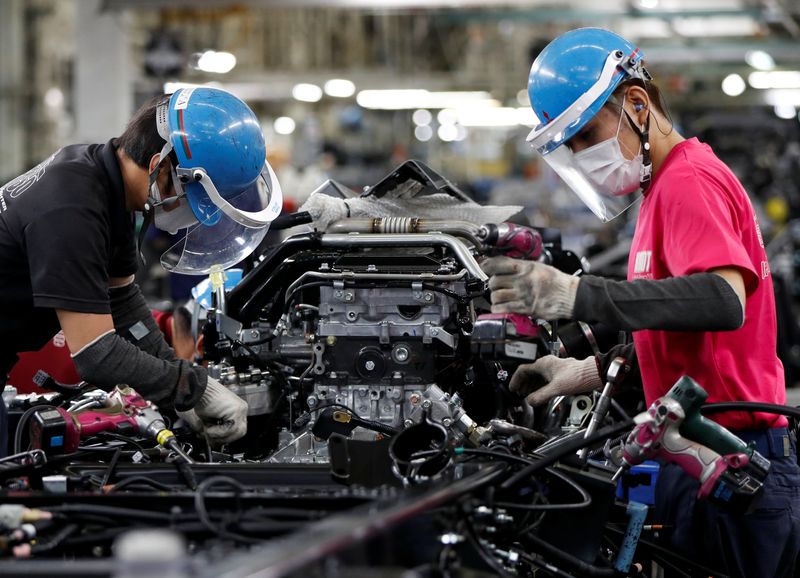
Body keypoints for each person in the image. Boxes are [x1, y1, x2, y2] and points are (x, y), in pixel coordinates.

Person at [481, 28, 800, 577]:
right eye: (571, 147)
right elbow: (675, 324)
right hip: (691, 448)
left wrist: (575, 294)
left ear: (636, 102)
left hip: (730, 452)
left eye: (587, 136)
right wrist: (588, 369)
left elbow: (723, 301)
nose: (584, 157)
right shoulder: (662, 189)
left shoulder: (688, 182)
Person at [0, 87, 283, 456]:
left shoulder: (106, 184)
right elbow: (96, 354)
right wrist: (194, 388)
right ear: (160, 166)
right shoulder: (73, 208)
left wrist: (184, 392)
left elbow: (125, 307)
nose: (194, 215)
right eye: (194, 199)